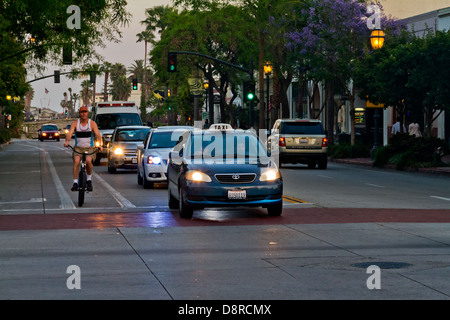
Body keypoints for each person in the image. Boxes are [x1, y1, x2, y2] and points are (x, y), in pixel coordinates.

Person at [64, 106, 102, 192]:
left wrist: (100, 145)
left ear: (87, 113)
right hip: (78, 148)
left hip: (90, 148)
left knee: (88, 161)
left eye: (85, 112)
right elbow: (70, 134)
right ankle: (75, 182)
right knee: (77, 161)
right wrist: (67, 141)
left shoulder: (92, 123)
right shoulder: (75, 123)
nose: (83, 113)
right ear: (79, 114)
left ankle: (89, 180)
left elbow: (98, 135)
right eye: (82, 112)